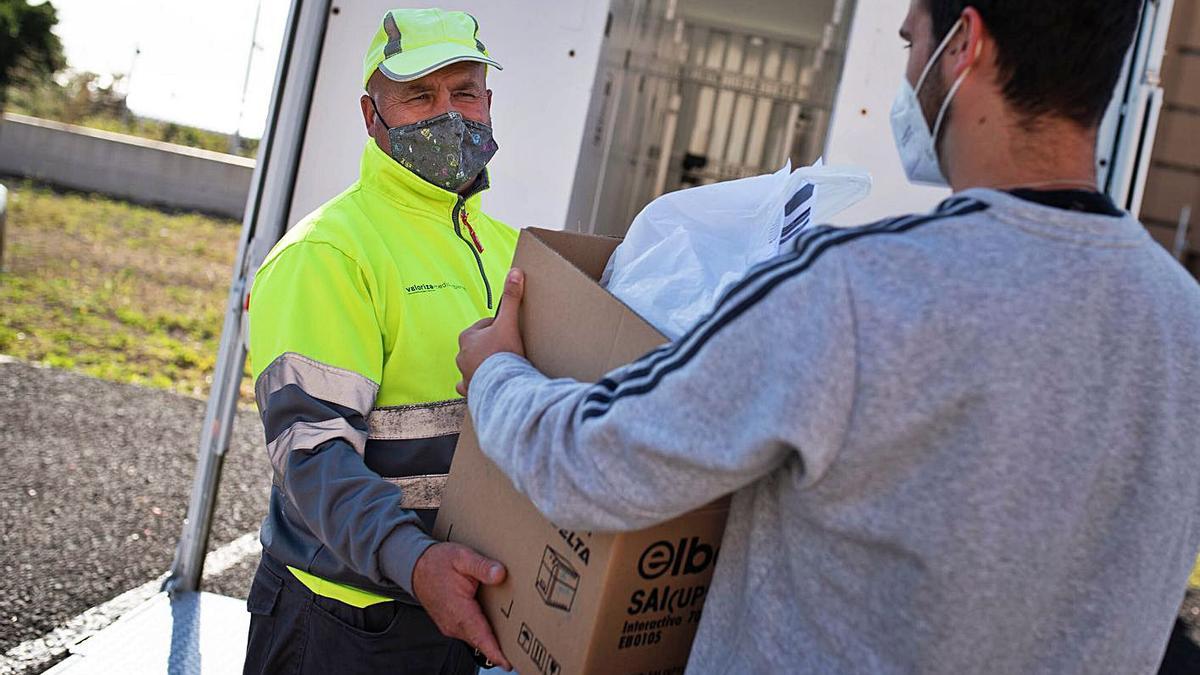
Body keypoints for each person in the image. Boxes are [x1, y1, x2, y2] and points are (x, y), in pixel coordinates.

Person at [455, 1, 1200, 672]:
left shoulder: (861, 290)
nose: (906, 77)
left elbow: (591, 467)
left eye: (912, 40)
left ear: (963, 44)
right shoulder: (1184, 324)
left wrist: (497, 373)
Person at [243, 8, 517, 674]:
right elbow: (313, 454)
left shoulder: (512, 253)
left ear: (489, 101)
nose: (449, 113)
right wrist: (414, 560)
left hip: (465, 614)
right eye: (420, 96)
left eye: (465, 92)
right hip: (345, 624)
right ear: (372, 116)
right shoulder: (330, 253)